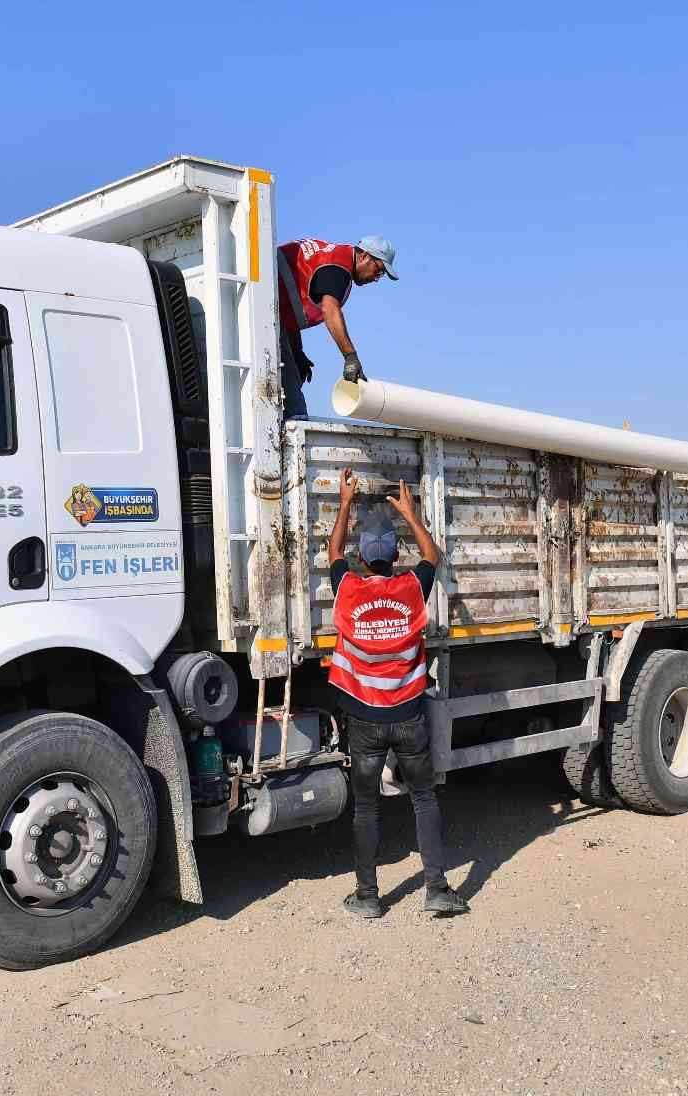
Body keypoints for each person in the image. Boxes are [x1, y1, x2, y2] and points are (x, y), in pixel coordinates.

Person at [327, 468, 467, 918]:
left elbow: (332, 552)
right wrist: (410, 513)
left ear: (362, 559)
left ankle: (368, 897)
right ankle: (437, 890)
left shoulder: (347, 589)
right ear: (393, 557)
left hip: (367, 722)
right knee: (424, 799)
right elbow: (432, 556)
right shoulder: (411, 587)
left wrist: (346, 502)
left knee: (366, 807)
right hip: (409, 716)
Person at [275, 235, 398, 418]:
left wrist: (297, 350)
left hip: (270, 309)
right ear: (364, 256)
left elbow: (288, 309)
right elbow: (330, 310)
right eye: (378, 271)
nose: (375, 278)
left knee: (289, 380)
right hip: (265, 310)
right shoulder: (339, 268)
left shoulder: (333, 257)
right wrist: (350, 356)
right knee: (295, 409)